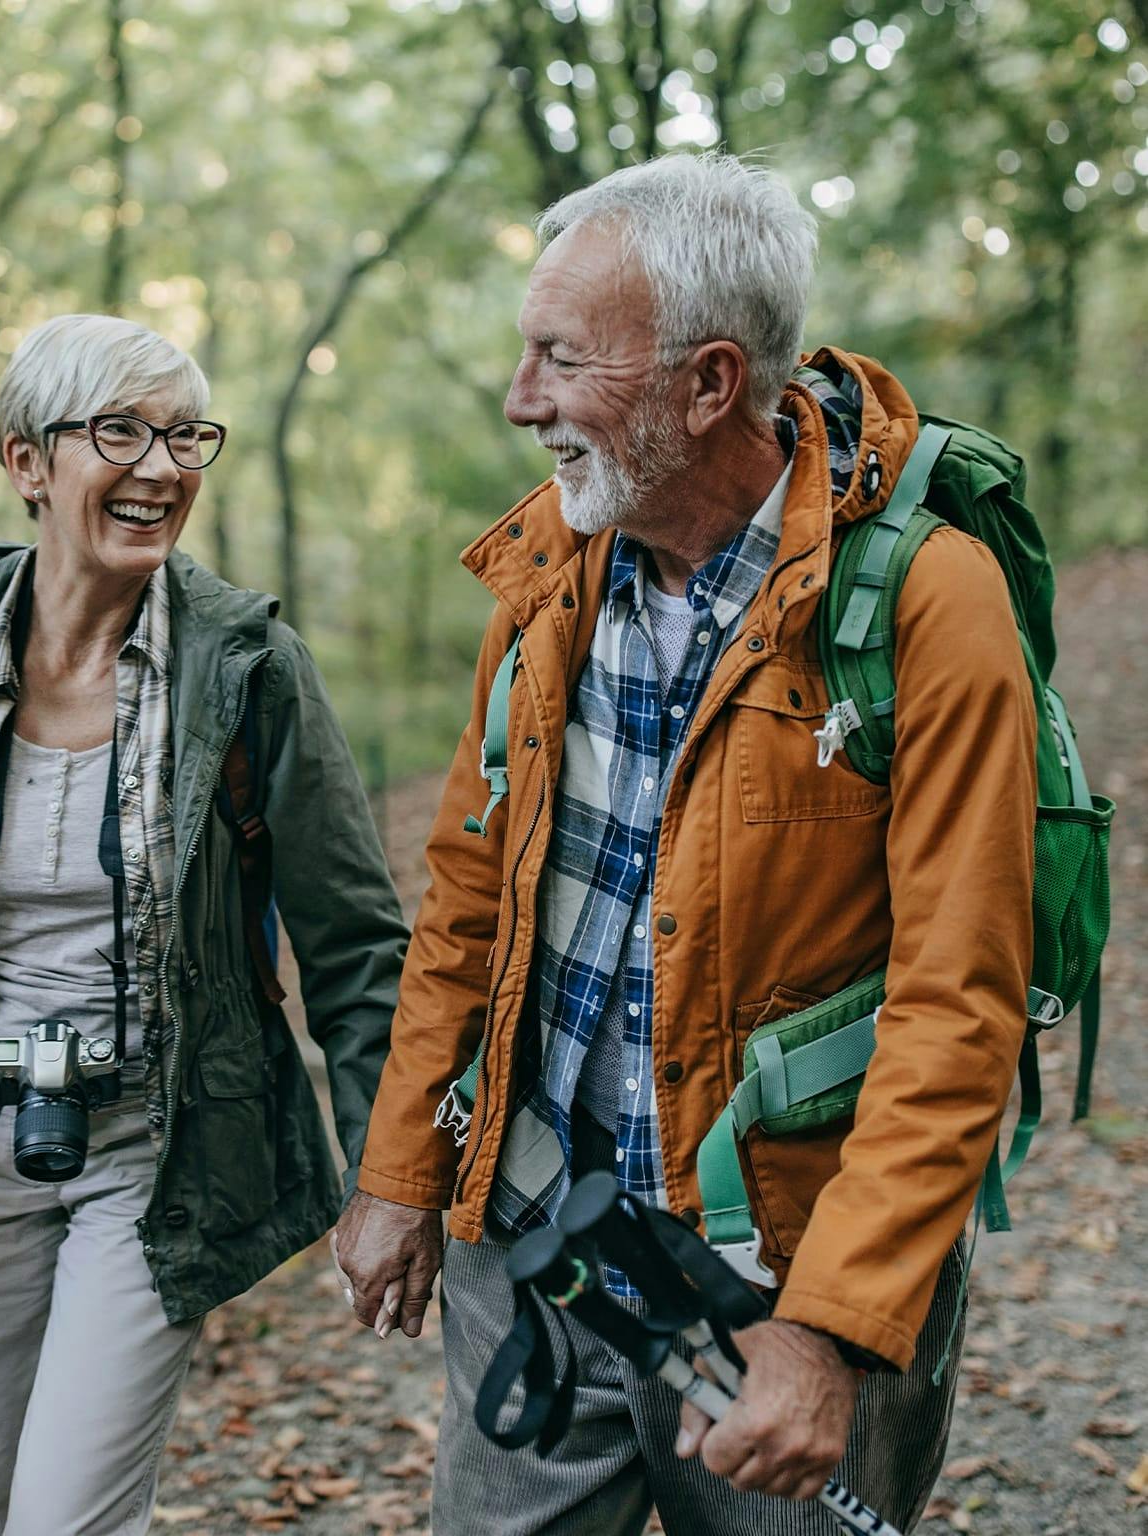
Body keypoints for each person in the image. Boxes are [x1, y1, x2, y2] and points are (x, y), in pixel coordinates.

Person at [333, 152, 1034, 1533]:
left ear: (709, 384)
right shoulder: (546, 569)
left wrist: (826, 1328)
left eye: (558, 359)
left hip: (775, 1281)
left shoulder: (924, 608)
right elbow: (468, 898)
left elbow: (956, 1008)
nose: (518, 397)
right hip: (533, 1237)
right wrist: (403, 1169)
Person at [0, 313, 408, 1536]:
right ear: (26, 461)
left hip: (153, 1150)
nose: (161, 468)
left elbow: (354, 942)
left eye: (185, 436)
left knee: (63, 1523)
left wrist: (389, 1175)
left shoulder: (246, 668)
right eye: (121, 432)